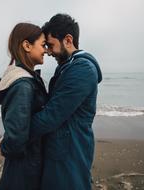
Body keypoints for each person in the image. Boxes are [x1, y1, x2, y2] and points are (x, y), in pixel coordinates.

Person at [29, 14, 102, 190]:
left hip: (70, 152)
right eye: (45, 46)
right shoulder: (67, 67)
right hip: (61, 149)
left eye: (51, 45)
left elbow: (51, 115)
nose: (48, 51)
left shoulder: (82, 69)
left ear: (68, 40)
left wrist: (15, 136)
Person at [0, 23, 48, 190]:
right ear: (27, 45)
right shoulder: (23, 85)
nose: (45, 50)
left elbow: (18, 124)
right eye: (43, 45)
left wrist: (6, 144)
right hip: (25, 170)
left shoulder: (25, 81)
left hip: (26, 164)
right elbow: (16, 139)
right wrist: (6, 146)